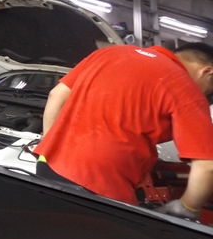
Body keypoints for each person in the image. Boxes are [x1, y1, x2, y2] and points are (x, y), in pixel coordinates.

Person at [35, 42, 213, 220]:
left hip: (48, 168)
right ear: (207, 72)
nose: (205, 94)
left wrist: (50, 147)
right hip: (103, 187)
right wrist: (188, 206)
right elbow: (207, 165)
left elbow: (56, 95)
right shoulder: (184, 87)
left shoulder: (109, 53)